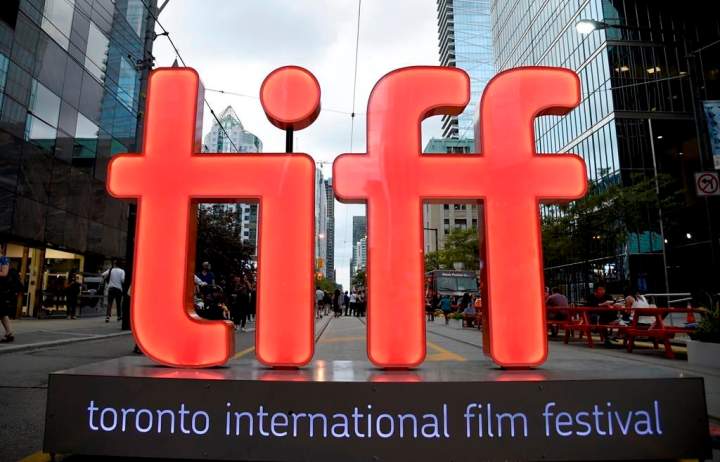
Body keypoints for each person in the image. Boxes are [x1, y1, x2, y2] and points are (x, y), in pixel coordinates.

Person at [0, 247, 19, 343]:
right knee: (3, 313)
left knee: (3, 313)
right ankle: (9, 333)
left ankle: (9, 334)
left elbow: (4, 273)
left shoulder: (3, 259)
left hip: (1, 290)